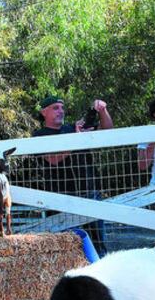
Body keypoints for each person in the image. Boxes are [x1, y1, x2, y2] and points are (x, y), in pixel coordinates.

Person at [32, 95, 113, 255]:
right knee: (63, 247)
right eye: (55, 108)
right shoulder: (39, 136)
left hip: (89, 193)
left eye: (62, 107)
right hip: (59, 198)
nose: (60, 111)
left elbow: (108, 131)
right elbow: (53, 159)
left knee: (97, 245)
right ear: (44, 112)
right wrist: (76, 139)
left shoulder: (73, 128)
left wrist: (102, 110)